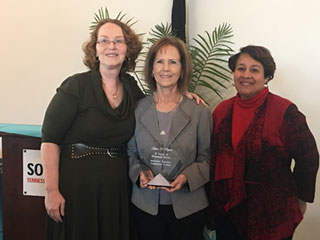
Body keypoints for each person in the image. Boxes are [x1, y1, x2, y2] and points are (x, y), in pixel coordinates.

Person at [41, 19, 144, 240]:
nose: (111, 46)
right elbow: (50, 140)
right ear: (95, 50)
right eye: (104, 41)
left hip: (116, 188)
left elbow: (155, 110)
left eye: (119, 41)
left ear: (128, 49)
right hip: (77, 186)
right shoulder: (75, 86)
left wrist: (184, 98)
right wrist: (51, 191)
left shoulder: (131, 87)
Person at [209, 45, 319, 240]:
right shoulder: (221, 111)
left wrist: (301, 200)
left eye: (254, 70)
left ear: (267, 77)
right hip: (228, 215)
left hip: (272, 218)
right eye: (240, 68)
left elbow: (308, 157)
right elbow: (213, 158)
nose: (246, 75)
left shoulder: (285, 111)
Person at [127, 37, 212, 240]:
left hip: (189, 209)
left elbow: (208, 158)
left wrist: (187, 177)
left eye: (173, 62)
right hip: (145, 207)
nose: (166, 68)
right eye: (160, 61)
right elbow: (130, 152)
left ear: (182, 69)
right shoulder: (137, 109)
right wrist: (139, 173)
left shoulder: (200, 110)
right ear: (151, 69)